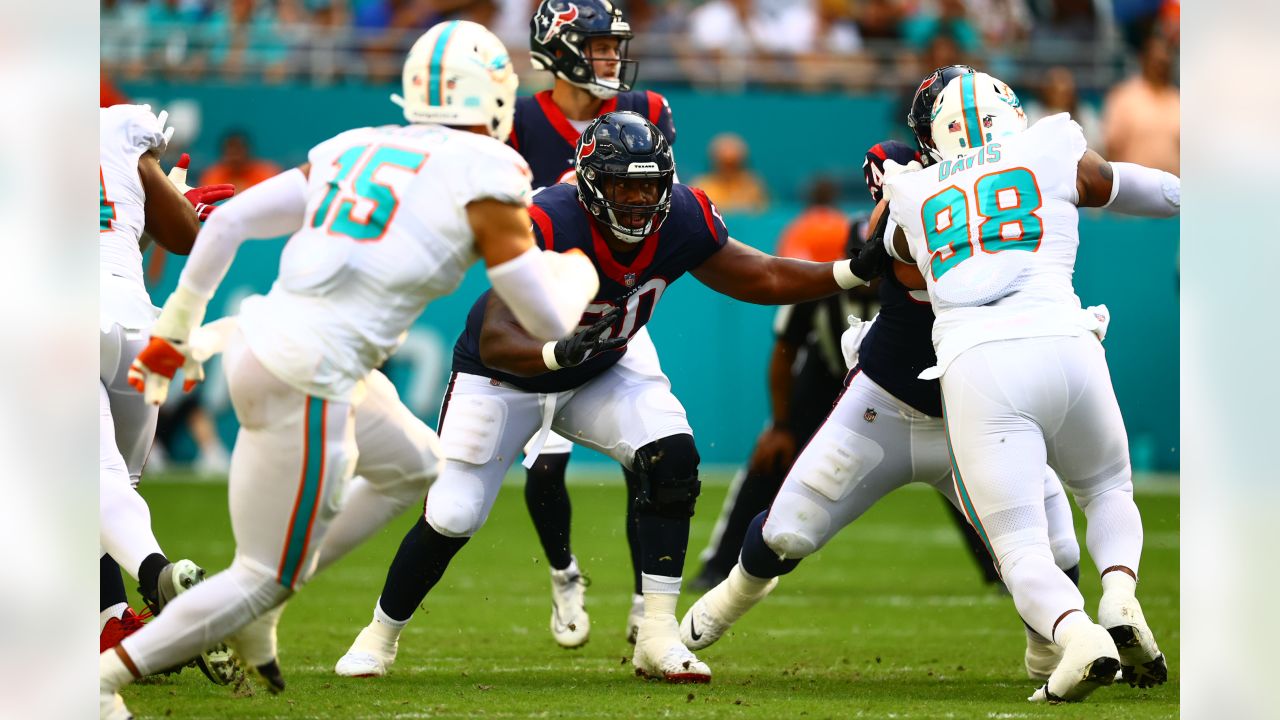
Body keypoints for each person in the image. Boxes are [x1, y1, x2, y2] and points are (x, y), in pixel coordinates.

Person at [100, 21, 598, 720]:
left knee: (417, 464)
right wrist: (575, 272)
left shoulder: (356, 144)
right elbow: (547, 320)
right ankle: (104, 677)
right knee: (261, 574)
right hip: (310, 376)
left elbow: (229, 221)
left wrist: (176, 328)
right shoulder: (489, 169)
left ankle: (258, 614)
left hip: (266, 342)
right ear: (492, 94)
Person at [333, 111, 886, 685]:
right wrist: (555, 354)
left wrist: (848, 272)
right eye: (625, 185)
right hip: (504, 376)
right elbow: (497, 334)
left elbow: (760, 275)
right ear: (593, 182)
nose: (639, 200)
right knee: (452, 514)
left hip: (599, 369)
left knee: (671, 457)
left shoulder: (682, 214)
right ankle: (379, 636)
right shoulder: (550, 218)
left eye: (650, 185)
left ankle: (657, 636)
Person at [680, 132, 1083, 688]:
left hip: (978, 418)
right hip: (886, 409)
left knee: (1054, 545)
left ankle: (1047, 641)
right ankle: (729, 597)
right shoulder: (901, 219)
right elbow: (911, 250)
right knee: (787, 534)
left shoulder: (993, 212)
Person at [882, 70, 1177, 702]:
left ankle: (1078, 636)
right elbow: (1121, 185)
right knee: (1105, 489)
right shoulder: (1051, 143)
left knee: (1019, 547)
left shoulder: (912, 185)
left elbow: (899, 260)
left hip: (978, 362)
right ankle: (1120, 595)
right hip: (1066, 343)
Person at [689, 140, 1014, 594]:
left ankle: (1002, 568)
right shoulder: (825, 286)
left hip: (901, 380)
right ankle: (719, 564)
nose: (882, 269)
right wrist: (782, 423)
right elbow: (783, 352)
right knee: (770, 460)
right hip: (827, 376)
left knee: (957, 468)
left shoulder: (922, 284)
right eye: (873, 259)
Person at [510, 0, 682, 648]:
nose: (612, 58)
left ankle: (645, 600)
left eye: (614, 46)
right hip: (546, 305)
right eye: (599, 46)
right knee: (545, 467)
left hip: (616, 299)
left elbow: (662, 200)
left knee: (649, 456)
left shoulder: (648, 114)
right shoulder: (521, 119)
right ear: (559, 48)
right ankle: (563, 573)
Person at [98, 103, 238, 685]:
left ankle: (159, 574)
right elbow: (184, 234)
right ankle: (110, 624)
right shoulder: (113, 125)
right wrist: (170, 198)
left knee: (92, 483)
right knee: (111, 487)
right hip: (131, 321)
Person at [1103, 32, 1179, 174]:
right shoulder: (1123, 97)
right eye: (1156, 60)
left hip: (1174, 190)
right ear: (1143, 59)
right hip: (1132, 190)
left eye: (1164, 61)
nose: (1160, 66)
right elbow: (1111, 147)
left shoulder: (1178, 99)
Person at [690, 132, 768, 213]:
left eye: (733, 164)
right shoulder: (701, 187)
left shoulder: (753, 186)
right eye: (724, 164)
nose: (728, 170)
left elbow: (765, 213)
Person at [197, 129, 283, 193]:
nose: (235, 157)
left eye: (238, 151)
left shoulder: (267, 173)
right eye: (230, 152)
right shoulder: (212, 175)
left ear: (248, 151)